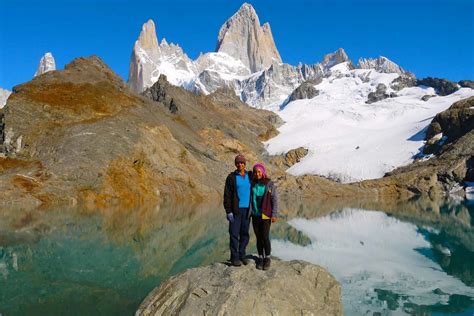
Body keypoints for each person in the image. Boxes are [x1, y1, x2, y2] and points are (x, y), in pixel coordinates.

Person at [223, 154, 253, 267]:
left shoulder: (250, 175)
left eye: (242, 162)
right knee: (234, 234)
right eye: (238, 163)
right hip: (235, 211)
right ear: (236, 164)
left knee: (244, 234)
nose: (240, 164)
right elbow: (227, 195)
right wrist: (228, 211)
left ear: (245, 164)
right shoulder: (231, 177)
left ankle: (242, 255)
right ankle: (234, 257)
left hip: (247, 211)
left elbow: (261, 180)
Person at [250, 163, 278, 270]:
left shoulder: (269, 184)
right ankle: (260, 257)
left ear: (263, 172)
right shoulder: (252, 183)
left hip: (266, 215)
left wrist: (274, 214)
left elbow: (274, 200)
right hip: (255, 214)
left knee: (265, 236)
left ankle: (267, 257)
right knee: (258, 237)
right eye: (255, 172)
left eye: (259, 171)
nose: (257, 174)